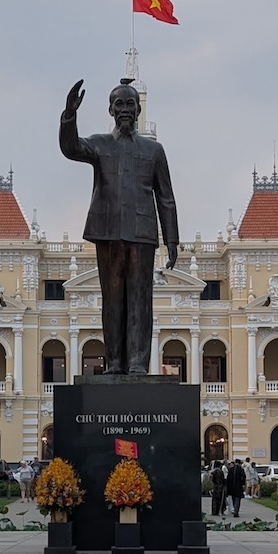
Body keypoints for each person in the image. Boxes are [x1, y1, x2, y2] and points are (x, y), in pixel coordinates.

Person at [59, 78, 179, 375]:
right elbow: (71, 148)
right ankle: (114, 363)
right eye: (119, 104)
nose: (124, 109)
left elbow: (166, 197)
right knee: (112, 299)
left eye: (130, 104)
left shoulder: (154, 150)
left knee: (141, 299)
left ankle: (138, 364)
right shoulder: (100, 145)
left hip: (142, 233)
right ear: (110, 110)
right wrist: (69, 115)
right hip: (108, 231)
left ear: (138, 110)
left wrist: (172, 241)